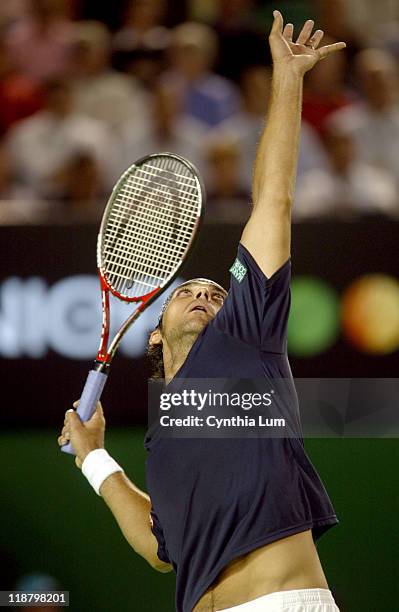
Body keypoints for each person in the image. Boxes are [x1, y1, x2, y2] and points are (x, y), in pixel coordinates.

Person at [58, 11, 345, 612]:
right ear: (154, 335)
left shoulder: (246, 342)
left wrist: (287, 79)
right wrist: (94, 458)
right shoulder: (167, 429)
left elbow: (274, 197)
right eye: (188, 291)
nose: (206, 297)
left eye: (218, 293)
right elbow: (163, 548)